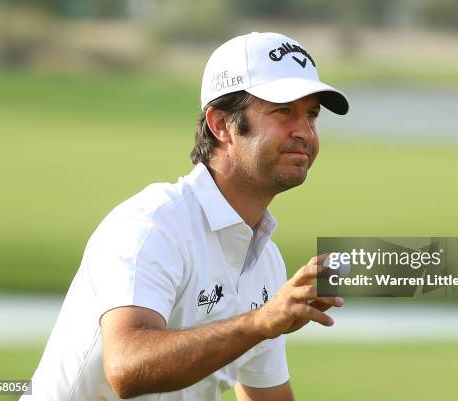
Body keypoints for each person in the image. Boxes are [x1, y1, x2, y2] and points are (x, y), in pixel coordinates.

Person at [22, 31, 349, 401]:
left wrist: (264, 323)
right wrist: (261, 323)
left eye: (311, 115)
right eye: (283, 112)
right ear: (220, 124)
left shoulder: (265, 262)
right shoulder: (152, 225)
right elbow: (127, 368)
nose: (304, 132)